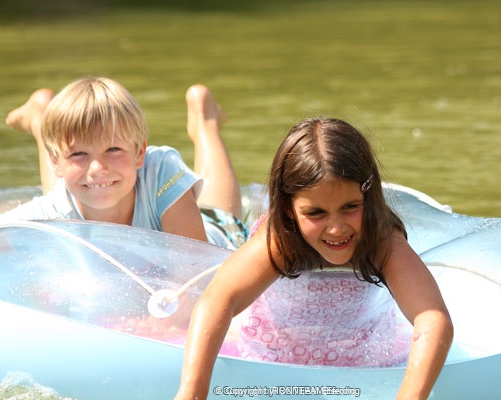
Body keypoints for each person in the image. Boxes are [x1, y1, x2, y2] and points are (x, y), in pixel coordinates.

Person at [174, 117, 454, 400]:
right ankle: (206, 125)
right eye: (316, 213)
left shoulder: (381, 241)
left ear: (368, 198)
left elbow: (431, 316)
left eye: (350, 207)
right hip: (269, 366)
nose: (336, 228)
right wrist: (192, 390)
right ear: (288, 208)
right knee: (224, 217)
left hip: (363, 368)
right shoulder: (280, 241)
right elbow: (218, 299)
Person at [0, 77, 247, 248]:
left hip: (213, 237)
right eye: (79, 154)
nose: (98, 168)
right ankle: (41, 118)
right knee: (69, 190)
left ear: (140, 152)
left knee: (222, 213)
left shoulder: (161, 173)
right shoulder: (56, 205)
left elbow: (194, 273)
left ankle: (205, 118)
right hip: (66, 190)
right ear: (53, 161)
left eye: (113, 149)